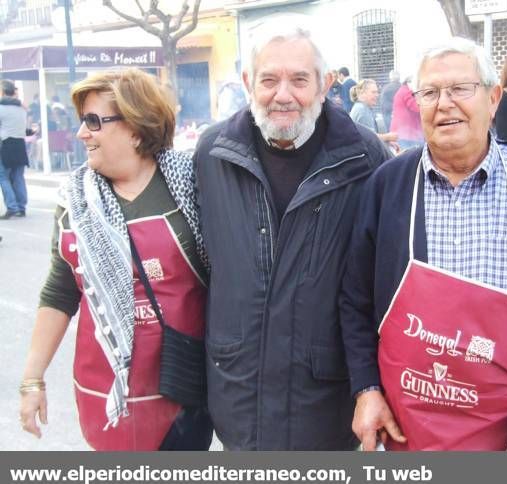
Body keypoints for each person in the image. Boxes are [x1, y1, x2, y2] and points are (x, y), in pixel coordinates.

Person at [340, 37, 507, 451]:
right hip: (412, 428)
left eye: (461, 89)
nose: (445, 104)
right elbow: (354, 301)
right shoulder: (388, 187)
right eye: (430, 92)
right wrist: (366, 388)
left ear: (493, 98)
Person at [193, 22, 391, 450]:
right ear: (248, 83)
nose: (283, 95)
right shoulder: (212, 155)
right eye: (269, 79)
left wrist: (371, 386)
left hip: (326, 405)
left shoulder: (366, 157)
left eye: (299, 80)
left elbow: (383, 287)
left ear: (325, 85)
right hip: (238, 399)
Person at [19, 68, 213, 451]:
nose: (81, 133)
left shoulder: (194, 186)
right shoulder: (75, 200)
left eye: (94, 121)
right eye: (82, 121)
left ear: (137, 128)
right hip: (105, 395)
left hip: (183, 390)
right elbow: (60, 292)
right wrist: (32, 379)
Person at [0, 79, 29, 219]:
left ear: (3, 91)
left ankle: (11, 207)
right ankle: (21, 207)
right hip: (20, 145)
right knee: (18, 177)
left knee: (3, 177)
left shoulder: (1, 108)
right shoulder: (22, 108)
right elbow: (25, 128)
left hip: (5, 145)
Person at [349, 79, 398, 148]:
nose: (377, 95)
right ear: (362, 93)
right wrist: (388, 137)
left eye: (377, 92)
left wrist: (387, 142)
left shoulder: (362, 107)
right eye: (373, 92)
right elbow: (370, 138)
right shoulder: (362, 110)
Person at [390, 75, 423, 149]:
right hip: (407, 133)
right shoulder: (407, 92)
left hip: (405, 132)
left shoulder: (403, 91)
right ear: (409, 82)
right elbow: (417, 108)